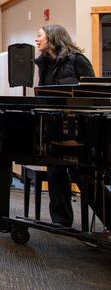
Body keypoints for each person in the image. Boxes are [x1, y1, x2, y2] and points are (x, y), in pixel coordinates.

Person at [34, 24, 96, 228]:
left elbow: (92, 94)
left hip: (79, 129)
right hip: (54, 127)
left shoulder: (77, 60)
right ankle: (61, 221)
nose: (37, 39)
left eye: (40, 36)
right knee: (55, 170)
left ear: (52, 37)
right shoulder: (44, 64)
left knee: (83, 175)